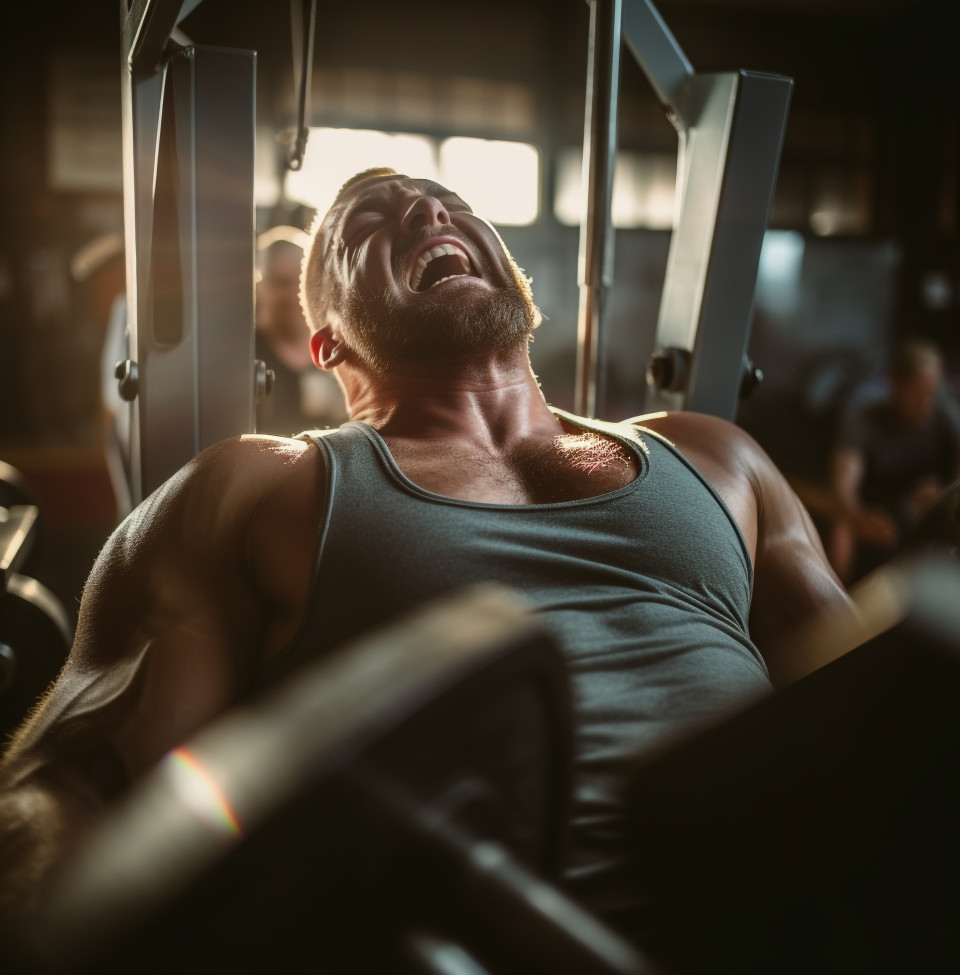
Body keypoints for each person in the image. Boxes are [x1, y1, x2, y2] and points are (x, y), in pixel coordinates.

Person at [0, 168, 855, 936]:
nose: (422, 206)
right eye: (367, 221)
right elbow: (64, 789)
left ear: (515, 279)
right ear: (325, 342)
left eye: (454, 205)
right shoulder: (260, 490)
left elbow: (875, 714)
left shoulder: (715, 456)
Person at [829, 337, 960, 584]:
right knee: (842, 527)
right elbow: (842, 495)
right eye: (916, 391)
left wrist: (943, 498)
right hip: (877, 515)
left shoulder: (944, 415)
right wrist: (861, 518)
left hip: (929, 513)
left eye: (931, 392)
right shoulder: (862, 422)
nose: (925, 403)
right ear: (893, 382)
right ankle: (836, 598)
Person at [255, 233, 347, 435]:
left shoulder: (338, 352)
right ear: (260, 286)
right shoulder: (246, 353)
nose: (294, 295)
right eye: (282, 282)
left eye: (301, 283)